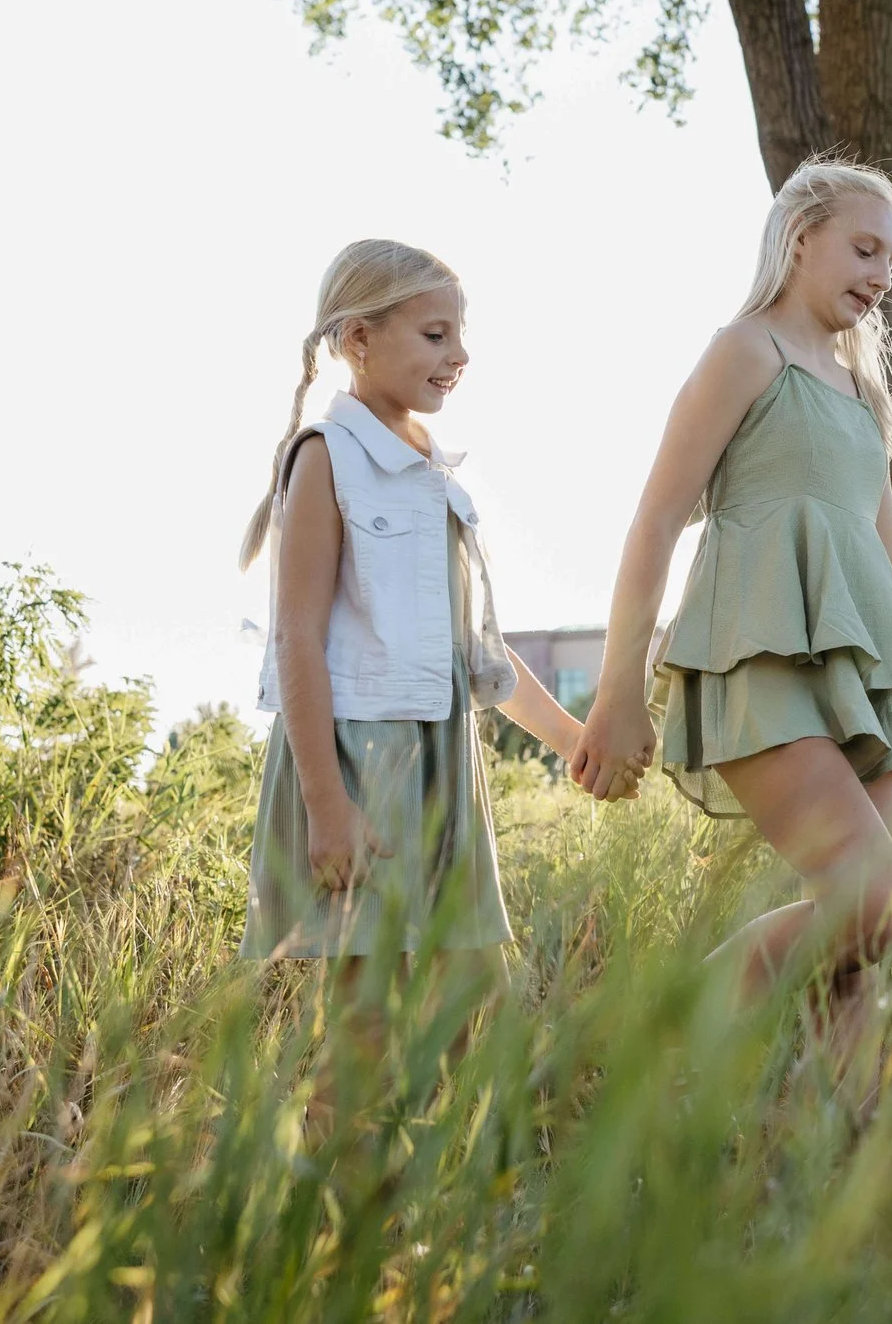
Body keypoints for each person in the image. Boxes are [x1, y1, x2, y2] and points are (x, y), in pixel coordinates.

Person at [568, 159, 892, 1039]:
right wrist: (617, 693)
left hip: (856, 677)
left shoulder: (861, 392)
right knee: (877, 905)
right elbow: (655, 520)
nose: (880, 276)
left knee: (854, 955)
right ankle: (649, 1046)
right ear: (800, 240)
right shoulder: (743, 350)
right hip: (755, 661)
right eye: (865, 249)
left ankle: (839, 1153)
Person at [238, 239, 587, 1126]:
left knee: (473, 1009)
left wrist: (577, 744)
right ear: (359, 337)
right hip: (360, 765)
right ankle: (326, 1227)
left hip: (444, 768)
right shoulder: (326, 457)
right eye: (435, 335)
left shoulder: (440, 479)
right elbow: (297, 643)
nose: (457, 356)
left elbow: (483, 659)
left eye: (459, 336)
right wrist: (327, 806)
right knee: (366, 1028)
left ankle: (439, 1227)